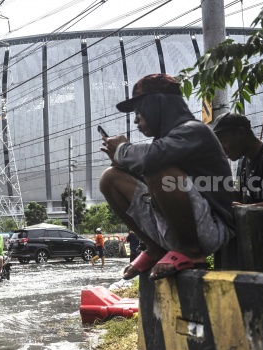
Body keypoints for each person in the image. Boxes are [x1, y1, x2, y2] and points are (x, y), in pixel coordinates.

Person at [99, 73, 235, 281]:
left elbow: (154, 160)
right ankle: (154, 248)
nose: (136, 120)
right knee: (110, 179)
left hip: (211, 229)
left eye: (139, 112)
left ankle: (190, 251)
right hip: (176, 226)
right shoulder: (166, 141)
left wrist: (123, 151)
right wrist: (122, 164)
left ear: (157, 106)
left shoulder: (194, 131)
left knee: (158, 169)